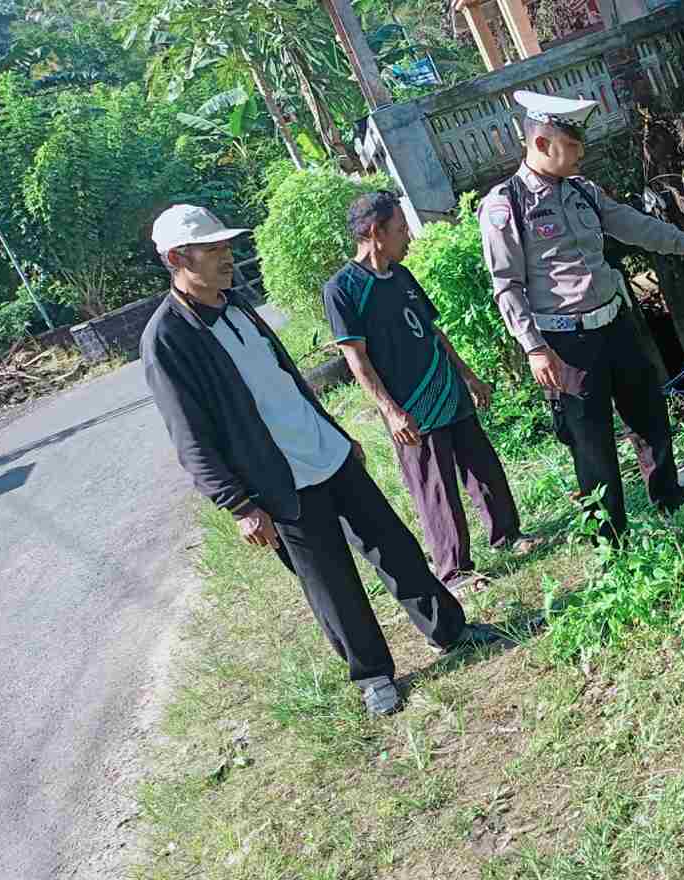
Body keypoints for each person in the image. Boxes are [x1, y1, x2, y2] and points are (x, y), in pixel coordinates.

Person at [141, 204, 502, 717]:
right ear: (178, 258)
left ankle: (450, 628)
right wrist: (239, 504)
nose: (228, 258)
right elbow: (190, 437)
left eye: (226, 246)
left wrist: (332, 430)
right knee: (332, 583)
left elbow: (285, 377)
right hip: (278, 481)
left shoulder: (236, 304)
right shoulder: (167, 340)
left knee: (394, 546)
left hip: (326, 452)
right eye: (215, 250)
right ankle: (374, 675)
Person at [477, 90, 684, 543]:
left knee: (650, 421)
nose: (582, 152)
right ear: (541, 144)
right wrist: (534, 348)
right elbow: (507, 285)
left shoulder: (584, 192)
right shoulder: (507, 206)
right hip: (567, 345)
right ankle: (611, 541)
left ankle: (673, 507)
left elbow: (638, 227)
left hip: (616, 326)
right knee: (591, 443)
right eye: (573, 144)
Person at [326, 191, 537, 589]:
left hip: (447, 389)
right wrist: (390, 412)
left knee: (483, 469)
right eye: (401, 229)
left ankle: (508, 535)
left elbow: (433, 331)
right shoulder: (343, 289)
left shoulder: (401, 275)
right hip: (412, 408)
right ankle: (455, 570)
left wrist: (469, 376)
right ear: (376, 232)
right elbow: (357, 359)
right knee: (435, 489)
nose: (408, 237)